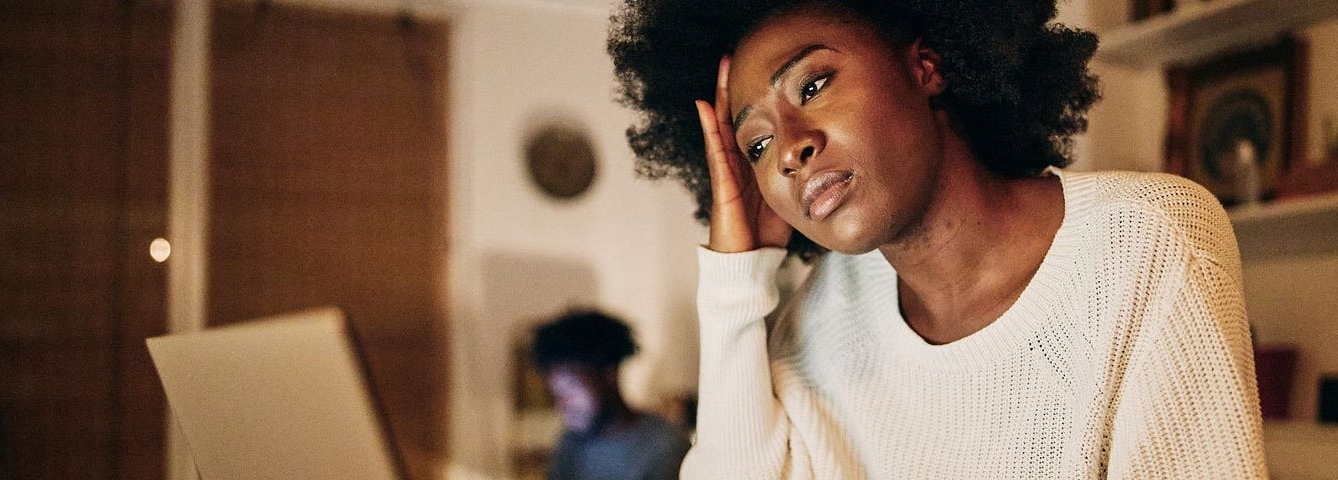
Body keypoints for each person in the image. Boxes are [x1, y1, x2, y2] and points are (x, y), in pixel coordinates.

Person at [607, 0, 1267, 478]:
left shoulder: (1147, 242)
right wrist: (735, 274)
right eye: (756, 143)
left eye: (813, 84)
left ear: (926, 67)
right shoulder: (815, 327)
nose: (788, 150)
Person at [530, 311, 689, 480]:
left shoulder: (664, 447)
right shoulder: (570, 442)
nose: (562, 404)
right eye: (557, 393)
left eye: (571, 387)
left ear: (609, 374)